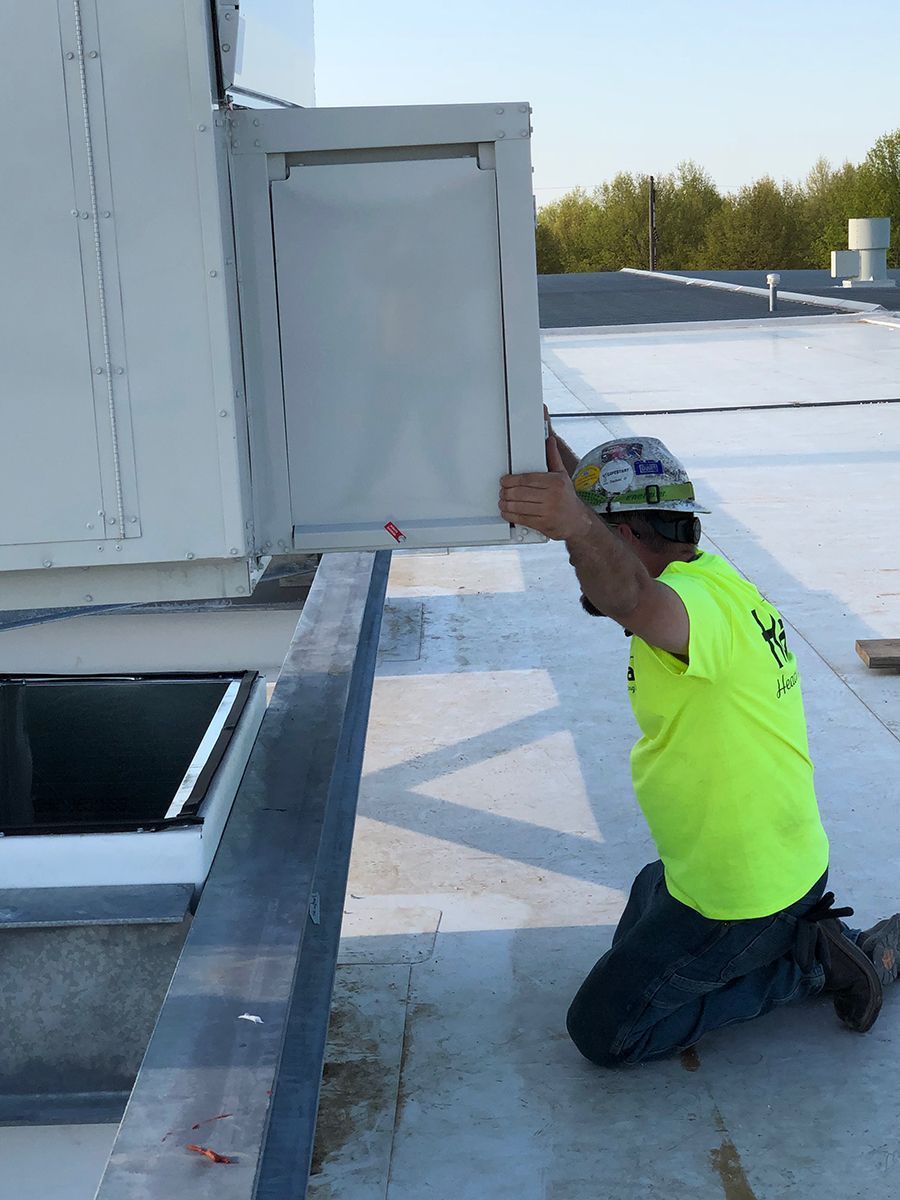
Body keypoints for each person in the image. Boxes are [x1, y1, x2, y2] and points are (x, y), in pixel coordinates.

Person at [498, 414, 900, 1066]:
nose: (582, 563)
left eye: (596, 536)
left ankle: (811, 965)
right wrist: (559, 463)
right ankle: (798, 936)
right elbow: (621, 562)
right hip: (758, 864)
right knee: (646, 895)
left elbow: (627, 592)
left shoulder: (687, 609)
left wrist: (576, 526)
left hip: (746, 895)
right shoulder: (713, 577)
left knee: (603, 1031)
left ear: (623, 535)